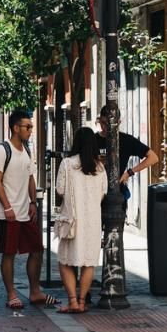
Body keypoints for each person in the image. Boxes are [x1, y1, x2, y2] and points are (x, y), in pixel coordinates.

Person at [0, 109, 56, 310]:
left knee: (37, 250)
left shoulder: (27, 150)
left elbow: (30, 177)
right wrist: (7, 206)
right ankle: (11, 294)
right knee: (9, 253)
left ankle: (35, 291)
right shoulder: (3, 150)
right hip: (8, 213)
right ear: (15, 128)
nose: (30, 130)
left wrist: (33, 202)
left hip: (25, 212)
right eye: (27, 127)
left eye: (31, 127)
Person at [56, 126, 108, 314]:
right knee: (88, 262)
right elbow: (103, 193)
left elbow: (60, 190)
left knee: (64, 260)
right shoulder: (100, 168)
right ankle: (82, 302)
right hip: (92, 223)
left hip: (73, 221)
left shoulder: (67, 164)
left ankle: (72, 301)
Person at [97, 110, 159, 198]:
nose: (107, 127)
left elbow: (153, 157)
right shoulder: (92, 140)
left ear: (118, 123)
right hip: (96, 193)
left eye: (111, 124)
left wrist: (129, 173)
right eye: (103, 123)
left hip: (118, 194)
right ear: (99, 121)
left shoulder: (126, 140)